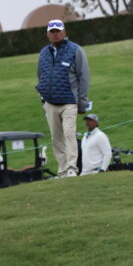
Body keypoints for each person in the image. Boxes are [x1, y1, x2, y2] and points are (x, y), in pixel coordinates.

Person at [35, 19, 90, 177]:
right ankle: (63, 169)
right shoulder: (44, 53)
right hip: (50, 102)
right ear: (48, 34)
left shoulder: (75, 50)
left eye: (58, 31)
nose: (55, 34)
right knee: (56, 138)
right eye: (52, 31)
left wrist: (82, 102)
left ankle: (72, 167)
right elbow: (41, 75)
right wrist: (42, 98)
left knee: (69, 134)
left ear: (64, 32)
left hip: (69, 101)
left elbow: (83, 77)